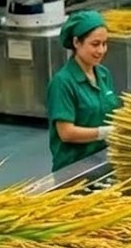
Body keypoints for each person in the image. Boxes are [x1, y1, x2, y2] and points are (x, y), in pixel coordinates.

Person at [45, 10, 121, 172]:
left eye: (104, 44)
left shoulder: (103, 74)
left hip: (103, 159)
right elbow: (66, 133)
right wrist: (103, 132)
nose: (101, 50)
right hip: (74, 166)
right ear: (76, 42)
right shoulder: (62, 82)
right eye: (95, 44)